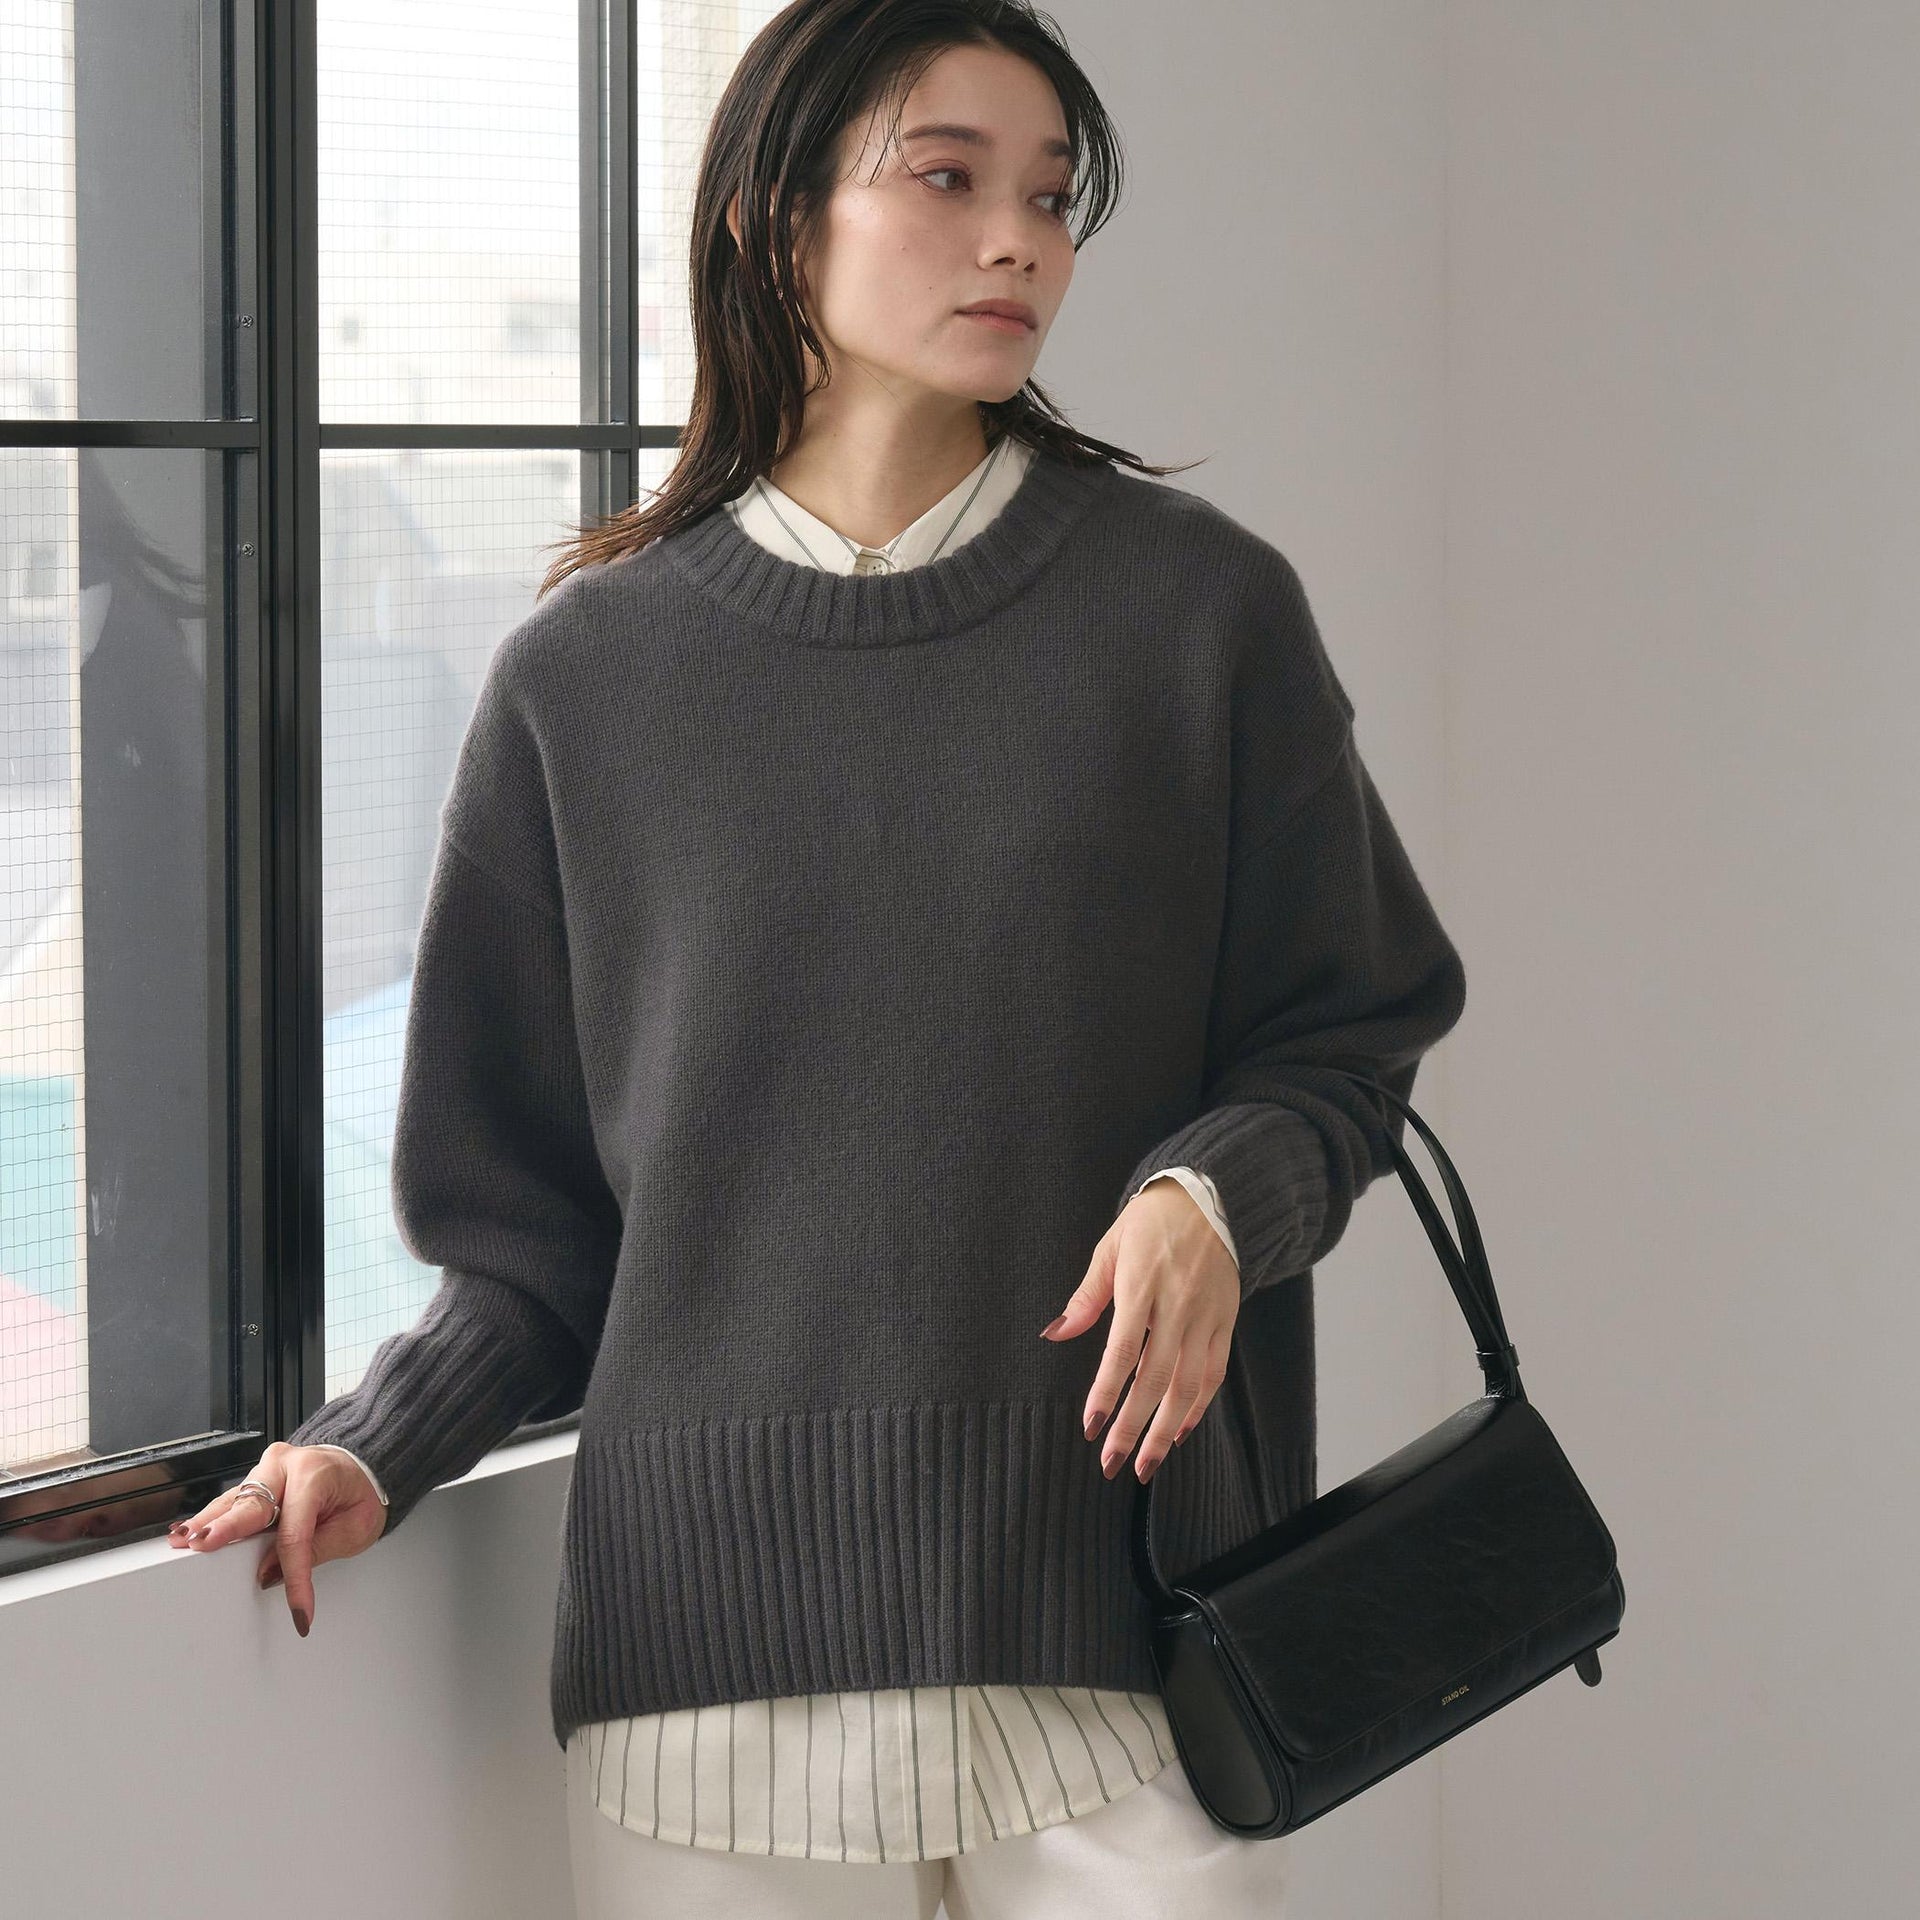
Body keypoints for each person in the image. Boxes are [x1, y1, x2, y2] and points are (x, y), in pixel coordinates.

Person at [171, 2, 1467, 1913]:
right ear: (776, 218)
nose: (1017, 240)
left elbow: (1349, 1039)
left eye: (1051, 197)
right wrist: (377, 1445)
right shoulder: (587, 681)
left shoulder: (1200, 619)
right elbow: (531, 1236)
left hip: (1136, 1655)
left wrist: (1214, 1197)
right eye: (947, 178)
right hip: (709, 1695)